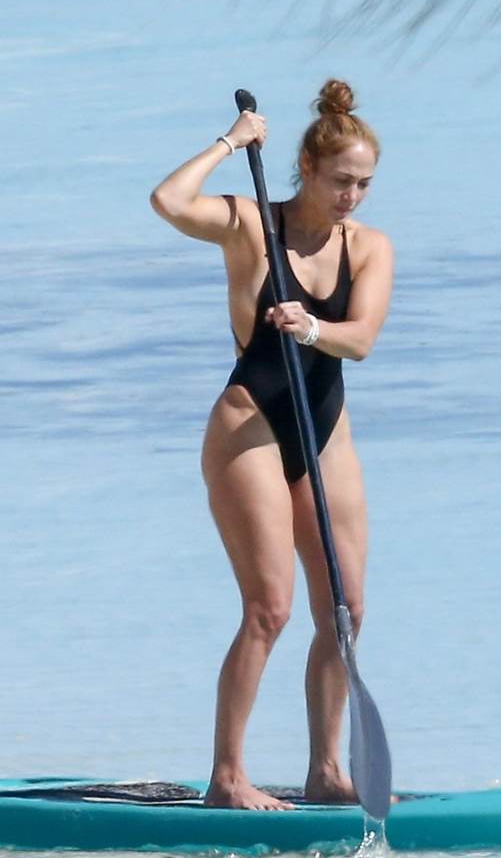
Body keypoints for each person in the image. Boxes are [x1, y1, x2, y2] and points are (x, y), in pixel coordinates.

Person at [150, 79, 394, 810]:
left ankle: (327, 770)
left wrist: (310, 327)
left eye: (364, 184)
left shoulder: (369, 248)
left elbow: (361, 340)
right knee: (270, 609)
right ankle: (228, 778)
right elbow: (167, 200)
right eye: (342, 181)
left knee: (347, 610)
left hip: (325, 431)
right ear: (307, 169)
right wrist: (231, 143)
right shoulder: (251, 225)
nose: (352, 196)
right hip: (249, 425)